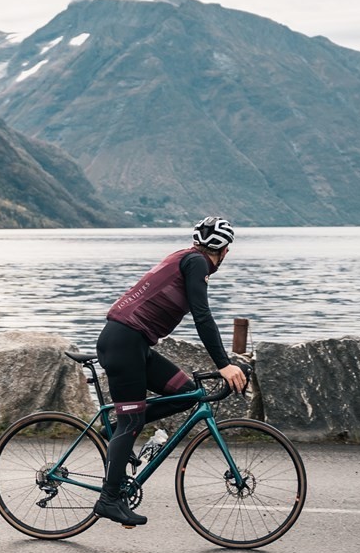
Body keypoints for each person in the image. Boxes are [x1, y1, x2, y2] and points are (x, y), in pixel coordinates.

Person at [93, 215, 249, 527]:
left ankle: (116, 431)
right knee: (133, 421)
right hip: (124, 343)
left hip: (134, 343)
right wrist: (224, 364)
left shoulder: (185, 257)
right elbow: (202, 316)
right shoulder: (197, 264)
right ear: (225, 251)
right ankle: (109, 498)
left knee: (186, 394)